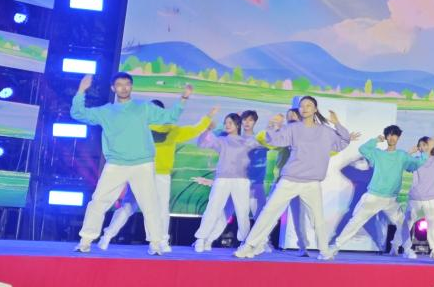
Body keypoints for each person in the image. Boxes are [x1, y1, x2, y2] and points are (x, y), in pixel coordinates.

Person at [70, 73, 193, 254]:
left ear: (131, 86)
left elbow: (170, 117)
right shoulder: (105, 111)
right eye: (119, 84)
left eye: (127, 84)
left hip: (142, 165)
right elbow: (77, 113)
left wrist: (183, 98)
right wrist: (81, 90)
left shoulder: (144, 108)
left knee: (150, 204)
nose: (124, 87)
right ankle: (86, 240)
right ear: (113, 88)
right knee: (98, 201)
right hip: (116, 164)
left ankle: (155, 243)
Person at [234, 97, 357, 259]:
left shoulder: (325, 131)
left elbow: (343, 142)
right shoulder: (292, 128)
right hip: (290, 179)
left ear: (315, 109)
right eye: (302, 106)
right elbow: (275, 140)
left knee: (317, 219)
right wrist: (272, 126)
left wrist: (337, 123)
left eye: (308, 105)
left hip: (312, 183)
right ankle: (249, 246)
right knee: (269, 212)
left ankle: (324, 251)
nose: (304, 108)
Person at [97, 100, 214, 250]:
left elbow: (194, 130)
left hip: (159, 175)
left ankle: (161, 241)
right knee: (131, 206)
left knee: (155, 208)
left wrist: (208, 118)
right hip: (141, 172)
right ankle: (108, 236)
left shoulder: (168, 130)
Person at [325, 125, 424, 257]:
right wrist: (376, 140)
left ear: (398, 137)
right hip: (373, 197)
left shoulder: (402, 155)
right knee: (355, 222)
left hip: (391, 199)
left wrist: (424, 153)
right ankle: (334, 248)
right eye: (389, 135)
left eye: (395, 135)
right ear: (386, 137)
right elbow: (363, 149)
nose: (392, 137)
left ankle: (407, 250)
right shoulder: (377, 154)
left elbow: (416, 165)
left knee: (403, 223)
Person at [192, 113, 261, 251]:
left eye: (230, 122)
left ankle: (245, 242)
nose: (227, 125)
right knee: (213, 208)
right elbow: (202, 143)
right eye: (225, 123)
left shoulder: (247, 141)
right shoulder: (221, 140)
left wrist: (273, 127)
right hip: (222, 179)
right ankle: (201, 239)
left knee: (242, 212)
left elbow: (265, 143)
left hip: (241, 180)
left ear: (237, 124)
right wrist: (208, 129)